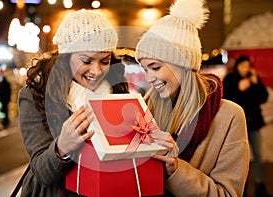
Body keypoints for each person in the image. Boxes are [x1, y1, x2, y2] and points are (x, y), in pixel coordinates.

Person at [135, 0, 250, 196]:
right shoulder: (145, 109)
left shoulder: (229, 116)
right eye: (145, 69)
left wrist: (175, 169)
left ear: (183, 63)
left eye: (155, 67)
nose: (148, 78)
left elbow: (228, 194)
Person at [18, 9, 128, 197]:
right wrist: (62, 147)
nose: (97, 71)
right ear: (66, 57)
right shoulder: (36, 95)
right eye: (86, 61)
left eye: (105, 61)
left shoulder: (115, 91)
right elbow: (42, 173)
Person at [223, 55, 269, 197]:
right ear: (237, 66)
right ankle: (241, 187)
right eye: (242, 66)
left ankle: (260, 185)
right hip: (237, 126)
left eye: (247, 66)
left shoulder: (252, 78)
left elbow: (264, 97)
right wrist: (239, 89)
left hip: (254, 124)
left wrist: (256, 84)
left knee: (258, 156)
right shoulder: (230, 79)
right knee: (241, 157)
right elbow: (226, 99)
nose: (245, 69)